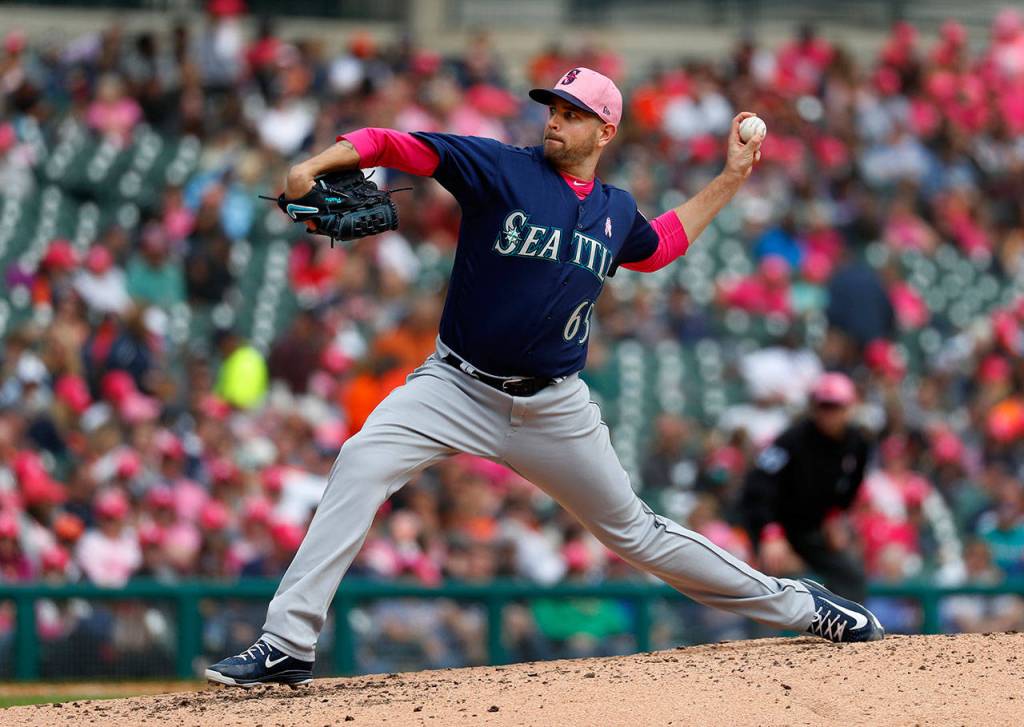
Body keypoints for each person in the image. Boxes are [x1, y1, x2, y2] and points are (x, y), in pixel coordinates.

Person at [207, 67, 883, 688]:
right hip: (454, 386)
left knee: (637, 533)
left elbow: (661, 248)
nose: (556, 119)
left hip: (554, 408)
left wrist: (732, 177)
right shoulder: (501, 168)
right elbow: (396, 143)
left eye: (574, 111)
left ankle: (805, 605)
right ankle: (288, 641)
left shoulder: (616, 209)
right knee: (359, 460)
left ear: (605, 130)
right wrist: (317, 163)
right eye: (553, 107)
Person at [739, 372, 873, 603]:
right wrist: (770, 532)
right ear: (814, 407)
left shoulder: (857, 442)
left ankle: (851, 630)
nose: (828, 413)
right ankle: (760, 638)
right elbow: (758, 485)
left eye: (835, 406)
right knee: (769, 580)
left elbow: (852, 484)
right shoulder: (792, 440)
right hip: (774, 523)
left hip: (809, 526)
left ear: (849, 408)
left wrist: (834, 515)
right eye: (823, 406)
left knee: (850, 573)